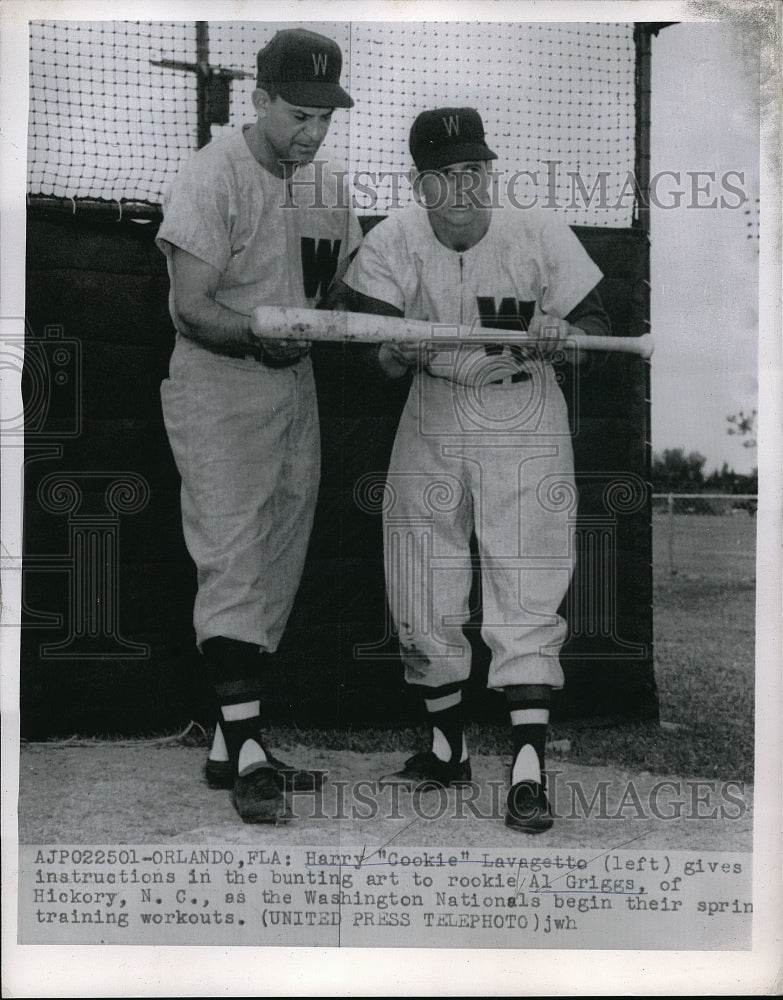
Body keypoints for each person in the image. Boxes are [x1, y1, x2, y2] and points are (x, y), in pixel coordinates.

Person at [340, 107, 611, 833]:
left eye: (475, 171)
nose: (464, 188)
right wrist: (387, 355)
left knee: (525, 578)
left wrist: (569, 335)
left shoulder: (538, 232)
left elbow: (602, 323)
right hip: (432, 404)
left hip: (520, 405)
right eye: (447, 175)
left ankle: (527, 766)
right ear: (419, 183)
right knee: (419, 577)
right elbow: (362, 351)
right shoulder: (391, 240)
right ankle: (445, 746)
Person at [157, 28, 362, 823]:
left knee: (277, 559)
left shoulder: (327, 186)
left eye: (325, 118)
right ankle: (248, 752)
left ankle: (227, 743)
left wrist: (357, 322)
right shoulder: (213, 174)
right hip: (220, 382)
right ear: (261, 98)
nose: (312, 133)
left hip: (293, 385)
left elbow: (337, 292)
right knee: (232, 558)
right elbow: (191, 306)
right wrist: (256, 331)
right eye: (298, 115)